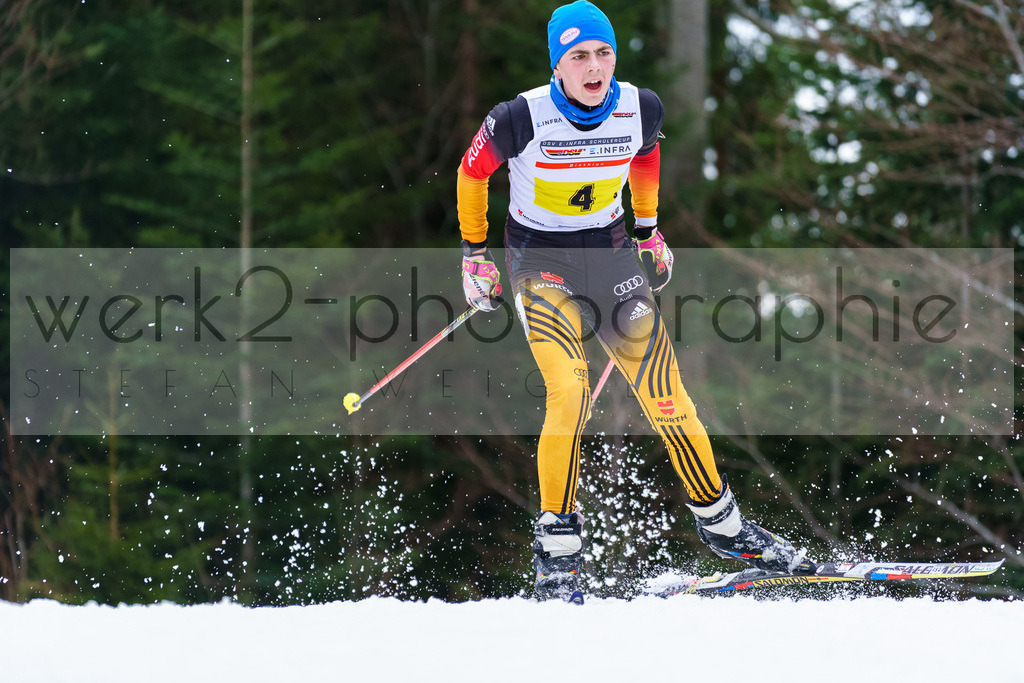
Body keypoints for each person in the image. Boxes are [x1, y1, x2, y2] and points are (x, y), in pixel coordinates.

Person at [457, 0, 814, 600]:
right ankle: (558, 548)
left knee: (665, 392)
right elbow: (473, 174)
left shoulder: (639, 105)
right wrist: (475, 255)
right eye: (579, 56)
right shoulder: (520, 117)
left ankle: (725, 528)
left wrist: (648, 228)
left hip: (613, 254)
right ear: (557, 66)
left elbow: (646, 152)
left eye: (603, 53)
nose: (594, 67)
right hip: (540, 262)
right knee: (569, 389)